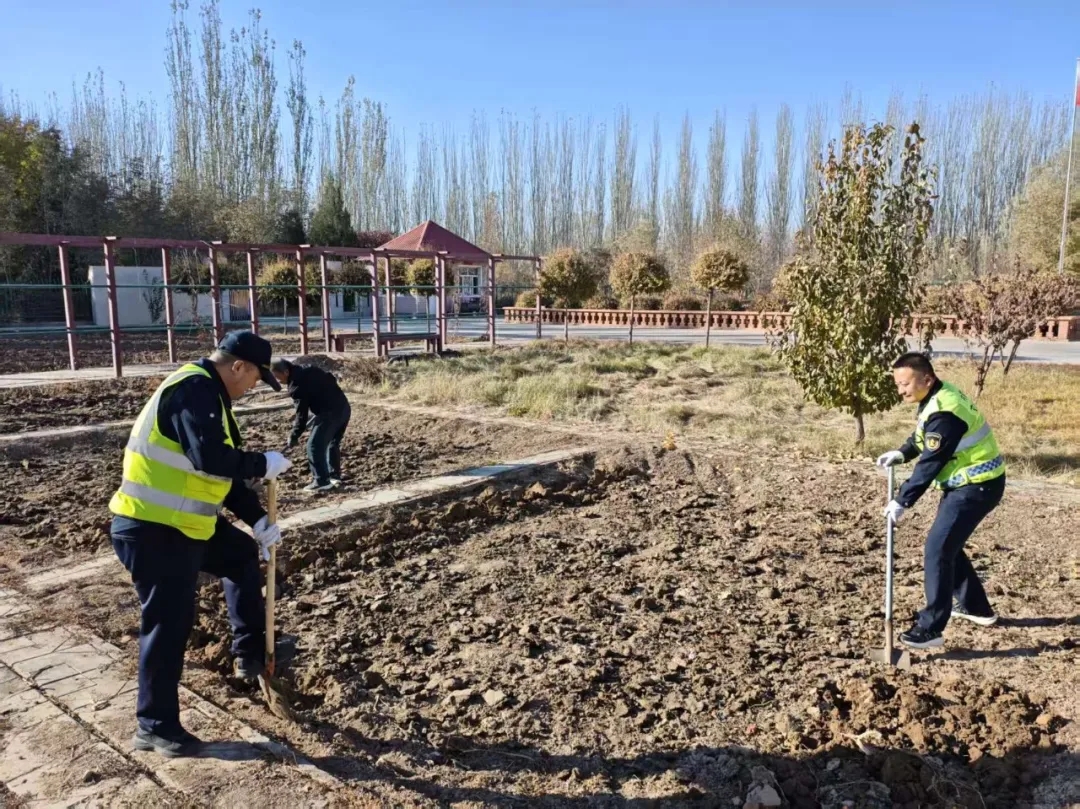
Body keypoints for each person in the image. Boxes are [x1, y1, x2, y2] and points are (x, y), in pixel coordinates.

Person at [108, 330, 294, 758]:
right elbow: (209, 458)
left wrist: (258, 520)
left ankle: (249, 653)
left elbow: (219, 477)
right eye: (253, 380)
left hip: (185, 527)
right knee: (168, 626)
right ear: (238, 367)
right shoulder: (193, 389)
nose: (251, 389)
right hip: (152, 530)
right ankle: (154, 726)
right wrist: (260, 463)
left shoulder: (212, 398)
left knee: (242, 555)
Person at [876, 351, 1006, 650]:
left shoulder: (946, 412)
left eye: (905, 384)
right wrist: (904, 451)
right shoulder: (937, 397)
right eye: (897, 384)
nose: (901, 390)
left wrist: (902, 501)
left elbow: (930, 463)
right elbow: (924, 435)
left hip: (976, 487)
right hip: (971, 484)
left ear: (926, 378)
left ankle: (930, 628)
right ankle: (976, 608)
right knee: (948, 543)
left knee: (937, 548)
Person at [271, 358, 352, 493]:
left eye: (276, 376)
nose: (276, 380)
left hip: (329, 413)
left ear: (285, 372)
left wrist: (294, 435)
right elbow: (331, 379)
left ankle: (321, 481)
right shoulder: (308, 368)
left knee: (313, 446)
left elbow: (301, 416)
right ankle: (334, 476)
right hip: (343, 407)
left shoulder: (296, 386)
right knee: (332, 443)